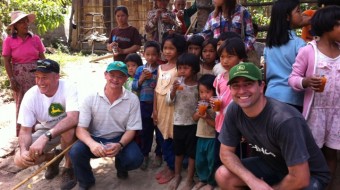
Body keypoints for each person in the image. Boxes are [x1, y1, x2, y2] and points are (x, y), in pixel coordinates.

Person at [215, 62, 330, 190]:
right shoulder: (234, 109)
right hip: (272, 164)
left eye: (248, 84)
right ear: (230, 89)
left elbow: (300, 178)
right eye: (236, 86)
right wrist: (252, 180)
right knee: (223, 175)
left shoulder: (284, 120)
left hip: (308, 175)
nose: (242, 91)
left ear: (261, 86)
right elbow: (225, 153)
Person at [69, 61, 144, 190]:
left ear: (126, 79)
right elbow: (81, 129)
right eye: (112, 75)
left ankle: (121, 166)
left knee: (135, 159)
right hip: (95, 137)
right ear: (105, 75)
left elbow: (131, 129)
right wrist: (92, 144)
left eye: (120, 76)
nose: (115, 79)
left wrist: (120, 145)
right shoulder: (91, 97)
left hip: (119, 137)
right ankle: (86, 181)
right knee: (75, 152)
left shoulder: (132, 99)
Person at [288, 5, 340, 189]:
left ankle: (327, 186)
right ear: (327, 27)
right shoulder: (309, 51)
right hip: (315, 114)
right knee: (312, 153)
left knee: (332, 153)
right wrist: (306, 82)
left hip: (337, 114)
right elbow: (293, 79)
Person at [13, 59, 79, 190]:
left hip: (68, 129)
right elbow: (25, 130)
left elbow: (73, 118)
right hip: (46, 129)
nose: (40, 82)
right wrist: (24, 150)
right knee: (19, 160)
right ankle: (53, 158)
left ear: (57, 77)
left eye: (44, 77)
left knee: (68, 131)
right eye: (37, 77)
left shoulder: (68, 87)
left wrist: (45, 137)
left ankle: (68, 167)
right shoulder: (31, 95)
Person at [2, 11, 46, 136]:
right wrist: (12, 79)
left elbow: (42, 57)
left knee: (39, 101)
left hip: (37, 76)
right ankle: (23, 133)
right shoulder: (9, 41)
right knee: (22, 103)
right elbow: (6, 61)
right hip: (19, 77)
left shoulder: (35, 39)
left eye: (26, 21)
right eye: (21, 22)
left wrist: (48, 74)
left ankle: (39, 131)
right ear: (15, 26)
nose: (25, 24)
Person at [153, 33, 187, 184]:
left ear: (178, 50)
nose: (167, 51)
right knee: (161, 136)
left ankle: (173, 168)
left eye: (171, 48)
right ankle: (168, 164)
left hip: (173, 109)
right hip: (160, 108)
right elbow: (156, 89)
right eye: (165, 48)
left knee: (171, 139)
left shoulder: (180, 68)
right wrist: (154, 110)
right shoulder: (160, 68)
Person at [264, 0, 306, 112]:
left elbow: (266, 72)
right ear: (287, 17)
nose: (301, 14)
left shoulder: (269, 45)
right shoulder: (299, 44)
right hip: (293, 99)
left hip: (270, 96)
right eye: (298, 11)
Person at [166, 53, 200, 190]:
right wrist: (173, 90)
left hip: (194, 125)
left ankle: (189, 179)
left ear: (194, 69)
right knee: (178, 152)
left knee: (192, 153)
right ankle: (177, 175)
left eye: (185, 68)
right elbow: (168, 102)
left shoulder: (198, 86)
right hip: (178, 123)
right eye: (179, 68)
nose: (182, 71)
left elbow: (201, 103)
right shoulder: (176, 84)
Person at [132, 41, 163, 170]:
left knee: (159, 131)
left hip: (159, 106)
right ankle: (145, 154)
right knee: (145, 131)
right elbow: (133, 86)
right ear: (143, 54)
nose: (151, 57)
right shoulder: (140, 69)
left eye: (154, 55)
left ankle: (159, 154)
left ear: (158, 55)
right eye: (148, 54)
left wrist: (155, 79)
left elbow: (163, 85)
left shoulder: (162, 69)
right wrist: (141, 79)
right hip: (144, 104)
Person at [192, 74, 217, 190]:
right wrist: (198, 114)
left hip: (212, 139)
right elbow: (194, 118)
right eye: (201, 92)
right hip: (201, 136)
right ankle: (203, 179)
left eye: (207, 92)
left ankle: (211, 182)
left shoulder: (216, 107)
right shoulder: (200, 104)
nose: (204, 95)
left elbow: (217, 126)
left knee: (211, 161)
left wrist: (207, 117)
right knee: (200, 160)